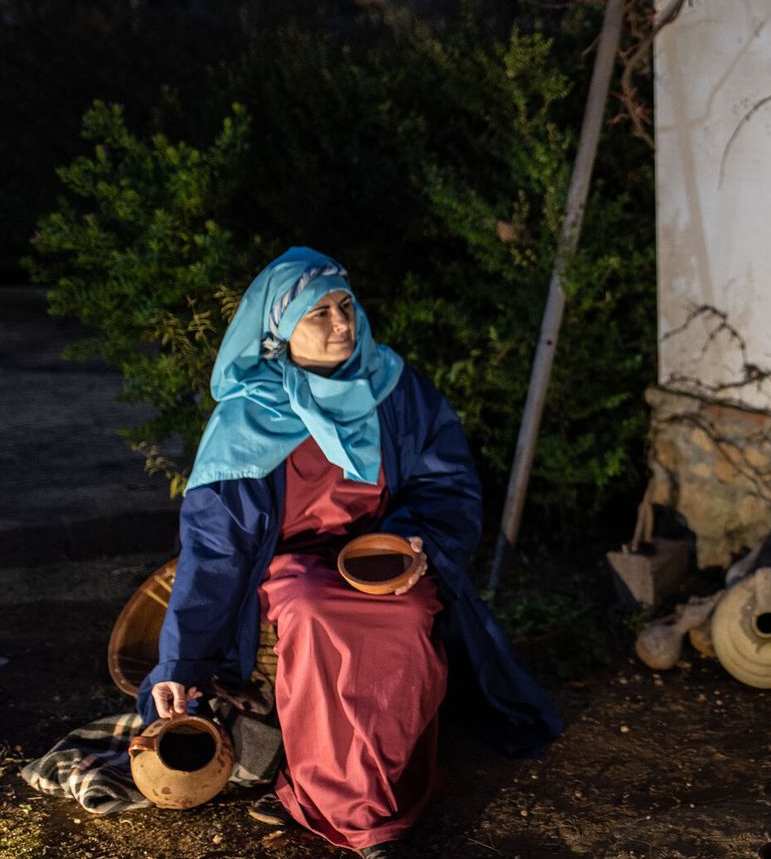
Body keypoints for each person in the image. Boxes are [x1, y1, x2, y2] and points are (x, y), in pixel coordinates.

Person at [139, 247, 562, 858]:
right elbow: (216, 550)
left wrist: (418, 544)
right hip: (289, 571)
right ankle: (361, 818)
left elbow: (448, 484)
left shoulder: (394, 387)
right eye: (320, 314)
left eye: (346, 306)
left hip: (380, 559)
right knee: (315, 613)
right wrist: (179, 663)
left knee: (410, 613)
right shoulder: (248, 418)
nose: (342, 324)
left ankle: (380, 788)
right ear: (281, 332)